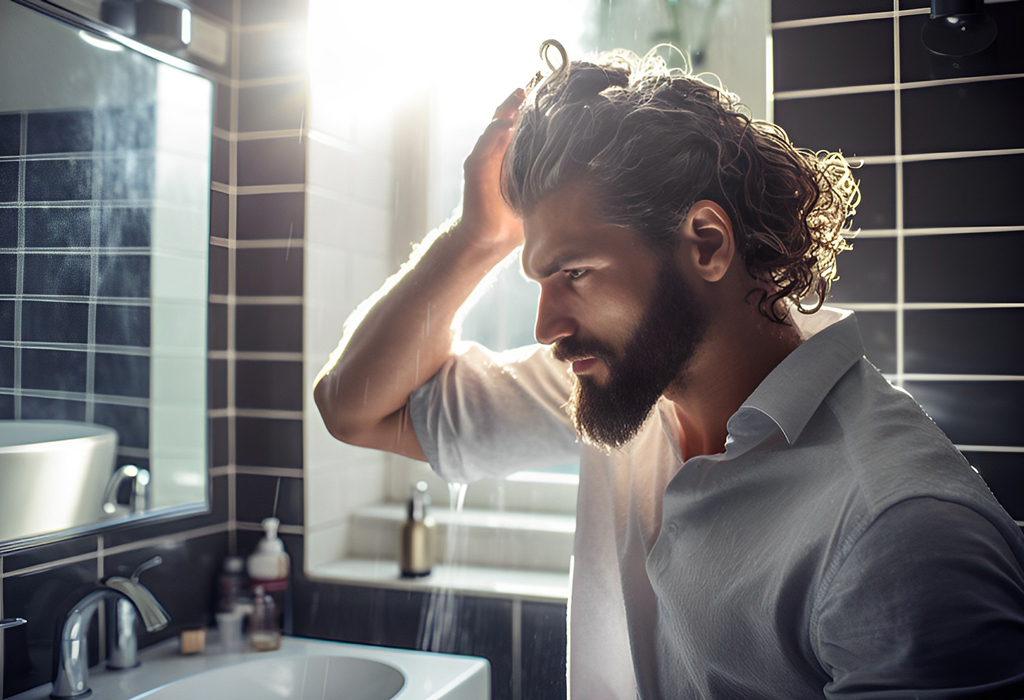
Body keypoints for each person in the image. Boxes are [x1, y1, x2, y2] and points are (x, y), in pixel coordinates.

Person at [314, 42, 1024, 699]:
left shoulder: (900, 535)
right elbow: (355, 408)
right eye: (540, 278)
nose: (546, 327)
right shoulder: (631, 389)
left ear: (708, 243)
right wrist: (477, 236)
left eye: (576, 273)